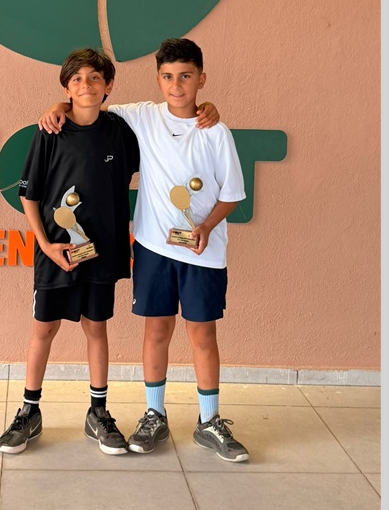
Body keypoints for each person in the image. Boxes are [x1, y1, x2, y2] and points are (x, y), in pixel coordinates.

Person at [38, 37, 250, 462]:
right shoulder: (143, 116)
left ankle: (209, 421)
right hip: (153, 248)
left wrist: (206, 226)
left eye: (186, 76)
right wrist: (58, 107)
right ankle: (155, 415)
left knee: (202, 334)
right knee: (156, 331)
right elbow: (88, 104)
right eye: (168, 76)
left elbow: (231, 194)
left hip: (202, 253)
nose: (176, 85)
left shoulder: (215, 131)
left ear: (201, 79)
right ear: (158, 79)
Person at [0, 47, 141, 456]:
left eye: (94, 78)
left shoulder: (121, 131)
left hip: (102, 252)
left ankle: (98, 413)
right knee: (44, 329)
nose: (86, 85)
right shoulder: (50, 131)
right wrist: (45, 245)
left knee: (96, 327)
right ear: (66, 88)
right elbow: (28, 194)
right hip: (57, 252)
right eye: (76, 79)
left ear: (109, 85)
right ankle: (29, 412)